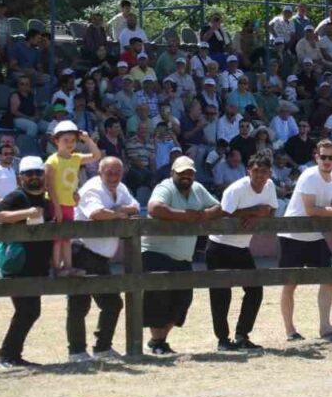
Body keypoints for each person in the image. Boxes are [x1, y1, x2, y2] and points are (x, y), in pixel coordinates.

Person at [277, 139, 332, 340]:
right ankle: (290, 331)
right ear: (316, 157)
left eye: (331, 157)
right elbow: (311, 210)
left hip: (315, 236)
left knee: (328, 278)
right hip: (292, 236)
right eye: (323, 157)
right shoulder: (309, 176)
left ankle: (325, 327)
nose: (327, 161)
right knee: (289, 284)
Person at [143, 155, 222, 355]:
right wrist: (185, 216)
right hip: (157, 252)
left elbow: (219, 206)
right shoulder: (165, 187)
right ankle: (158, 341)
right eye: (181, 173)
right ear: (173, 173)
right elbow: (154, 208)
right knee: (158, 298)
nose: (186, 176)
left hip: (183, 256)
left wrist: (204, 215)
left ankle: (158, 340)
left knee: (182, 300)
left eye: (189, 173)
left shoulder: (197, 189)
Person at [204, 151, 278, 352]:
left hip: (242, 246)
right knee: (221, 294)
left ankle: (242, 334)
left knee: (255, 289)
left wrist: (257, 217)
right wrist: (254, 212)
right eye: (256, 171)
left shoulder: (269, 186)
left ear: (269, 173)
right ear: (248, 171)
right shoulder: (236, 189)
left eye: (264, 172)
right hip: (219, 245)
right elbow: (224, 214)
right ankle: (222, 339)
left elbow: (271, 211)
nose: (260, 176)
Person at [67, 156, 139, 362]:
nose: (114, 176)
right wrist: (119, 214)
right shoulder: (92, 188)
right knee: (79, 305)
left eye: (117, 172)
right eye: (109, 172)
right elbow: (96, 213)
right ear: (100, 172)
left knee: (112, 304)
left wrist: (118, 211)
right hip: (82, 252)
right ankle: (77, 351)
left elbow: (135, 205)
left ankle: (102, 348)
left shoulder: (121, 188)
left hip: (101, 257)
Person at [0, 157, 53, 369]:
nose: (34, 177)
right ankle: (5, 355)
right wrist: (26, 213)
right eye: (29, 174)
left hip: (38, 265)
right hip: (18, 264)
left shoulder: (46, 200)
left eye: (38, 172)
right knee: (27, 310)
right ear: (21, 178)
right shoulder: (17, 196)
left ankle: (12, 355)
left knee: (30, 311)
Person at [44, 120, 102, 277]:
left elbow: (96, 156)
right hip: (55, 204)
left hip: (69, 204)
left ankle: (68, 267)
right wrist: (56, 207)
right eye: (65, 140)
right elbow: (49, 186)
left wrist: (88, 140)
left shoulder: (76, 158)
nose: (70, 144)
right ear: (56, 141)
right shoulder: (52, 160)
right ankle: (56, 268)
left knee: (66, 238)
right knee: (57, 238)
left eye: (73, 140)